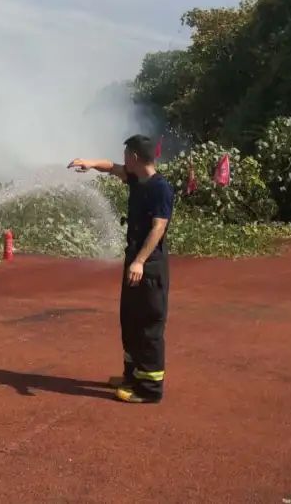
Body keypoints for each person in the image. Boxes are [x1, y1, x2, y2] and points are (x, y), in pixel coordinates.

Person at [69, 134, 173, 404]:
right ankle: (132, 375)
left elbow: (158, 228)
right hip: (134, 261)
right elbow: (111, 167)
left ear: (136, 157)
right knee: (130, 320)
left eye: (126, 153)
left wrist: (139, 261)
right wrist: (90, 163)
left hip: (149, 266)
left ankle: (149, 389)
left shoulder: (160, 188)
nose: (123, 159)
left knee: (149, 324)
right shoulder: (137, 178)